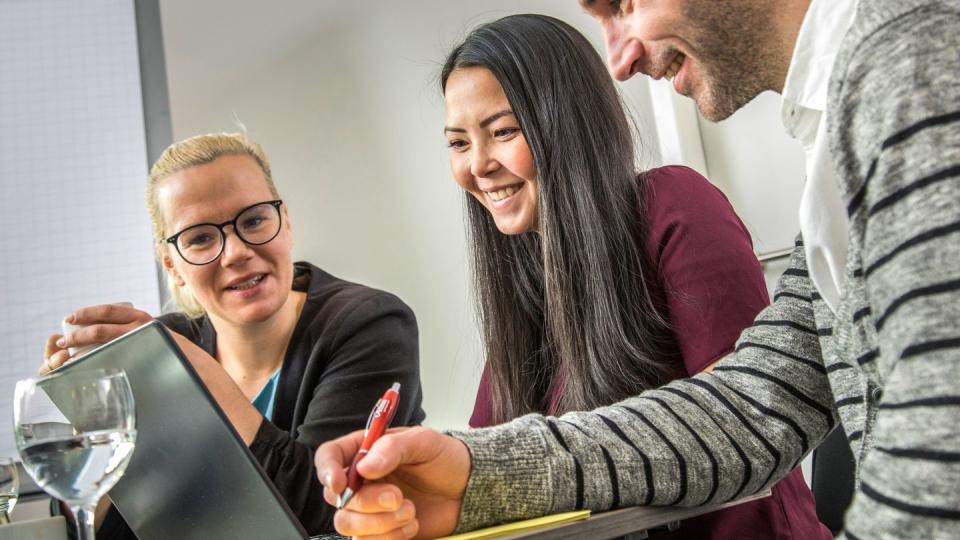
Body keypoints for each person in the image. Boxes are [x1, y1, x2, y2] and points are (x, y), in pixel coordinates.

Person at [314, 0, 960, 538]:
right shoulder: (841, 145)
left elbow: (940, 464)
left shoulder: (917, 69)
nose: (619, 60)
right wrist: (476, 472)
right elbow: (750, 407)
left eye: (624, 3)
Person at [42, 132, 426, 537]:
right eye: (201, 238)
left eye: (254, 220)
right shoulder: (165, 346)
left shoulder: (370, 324)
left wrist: (188, 376)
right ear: (171, 263)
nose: (235, 252)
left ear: (286, 222)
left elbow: (324, 513)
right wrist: (92, 442)